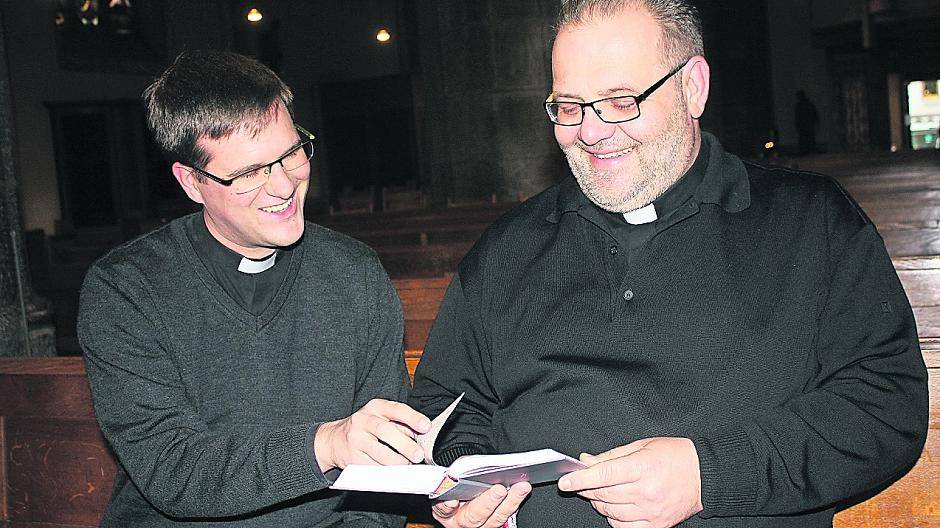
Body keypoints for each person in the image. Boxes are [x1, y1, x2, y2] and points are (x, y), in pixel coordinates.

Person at [410, 1, 929, 527]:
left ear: (693, 87)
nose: (590, 132)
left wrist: (710, 476)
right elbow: (445, 405)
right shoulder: (507, 248)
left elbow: (884, 403)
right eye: (569, 106)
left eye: (620, 101)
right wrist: (459, 481)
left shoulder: (810, 222)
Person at [78, 50, 430, 527]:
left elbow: (384, 482)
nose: (283, 185)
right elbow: (176, 471)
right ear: (192, 183)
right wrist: (325, 444)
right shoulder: (126, 290)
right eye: (247, 173)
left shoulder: (355, 273)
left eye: (290, 153)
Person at [795, 89, 820, 154]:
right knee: (807, 140)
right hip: (806, 126)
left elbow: (814, 115)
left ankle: (807, 151)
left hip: (806, 126)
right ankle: (808, 151)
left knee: (807, 140)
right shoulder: (807, 105)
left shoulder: (801, 106)